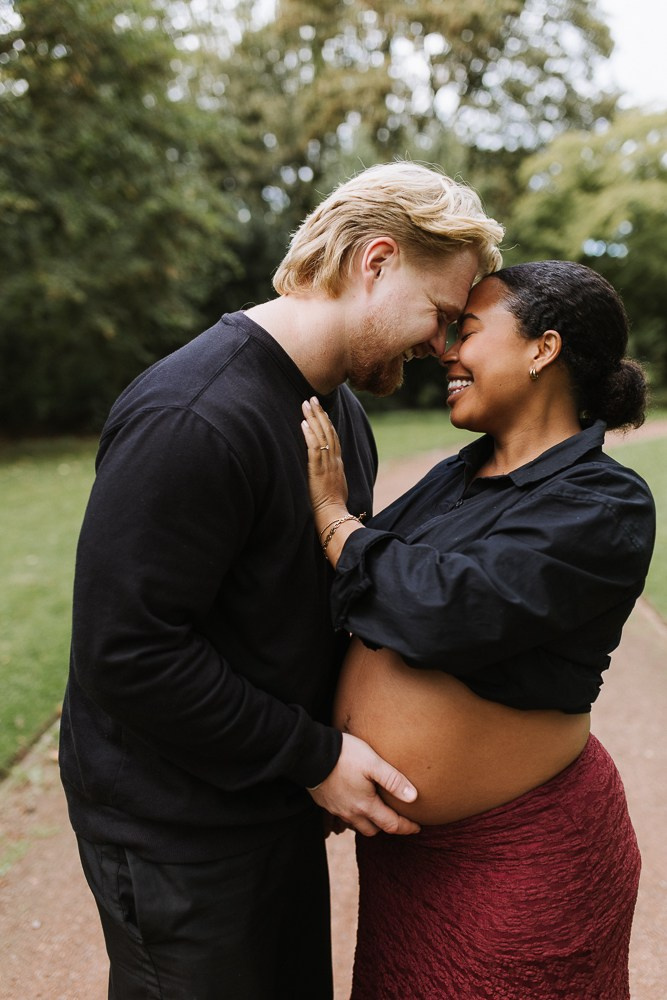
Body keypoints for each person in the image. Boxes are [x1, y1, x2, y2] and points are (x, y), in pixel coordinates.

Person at [58, 161, 504, 999]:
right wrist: (314, 756)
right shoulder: (193, 414)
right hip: (177, 834)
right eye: (441, 314)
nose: (443, 345)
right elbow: (128, 652)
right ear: (375, 262)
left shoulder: (339, 411)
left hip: (270, 802)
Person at [301, 259, 655, 1000]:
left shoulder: (603, 501)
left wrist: (336, 522)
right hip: (409, 862)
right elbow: (358, 596)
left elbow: (445, 612)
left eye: (466, 331)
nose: (445, 351)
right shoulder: (457, 475)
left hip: (521, 860)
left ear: (542, 349)